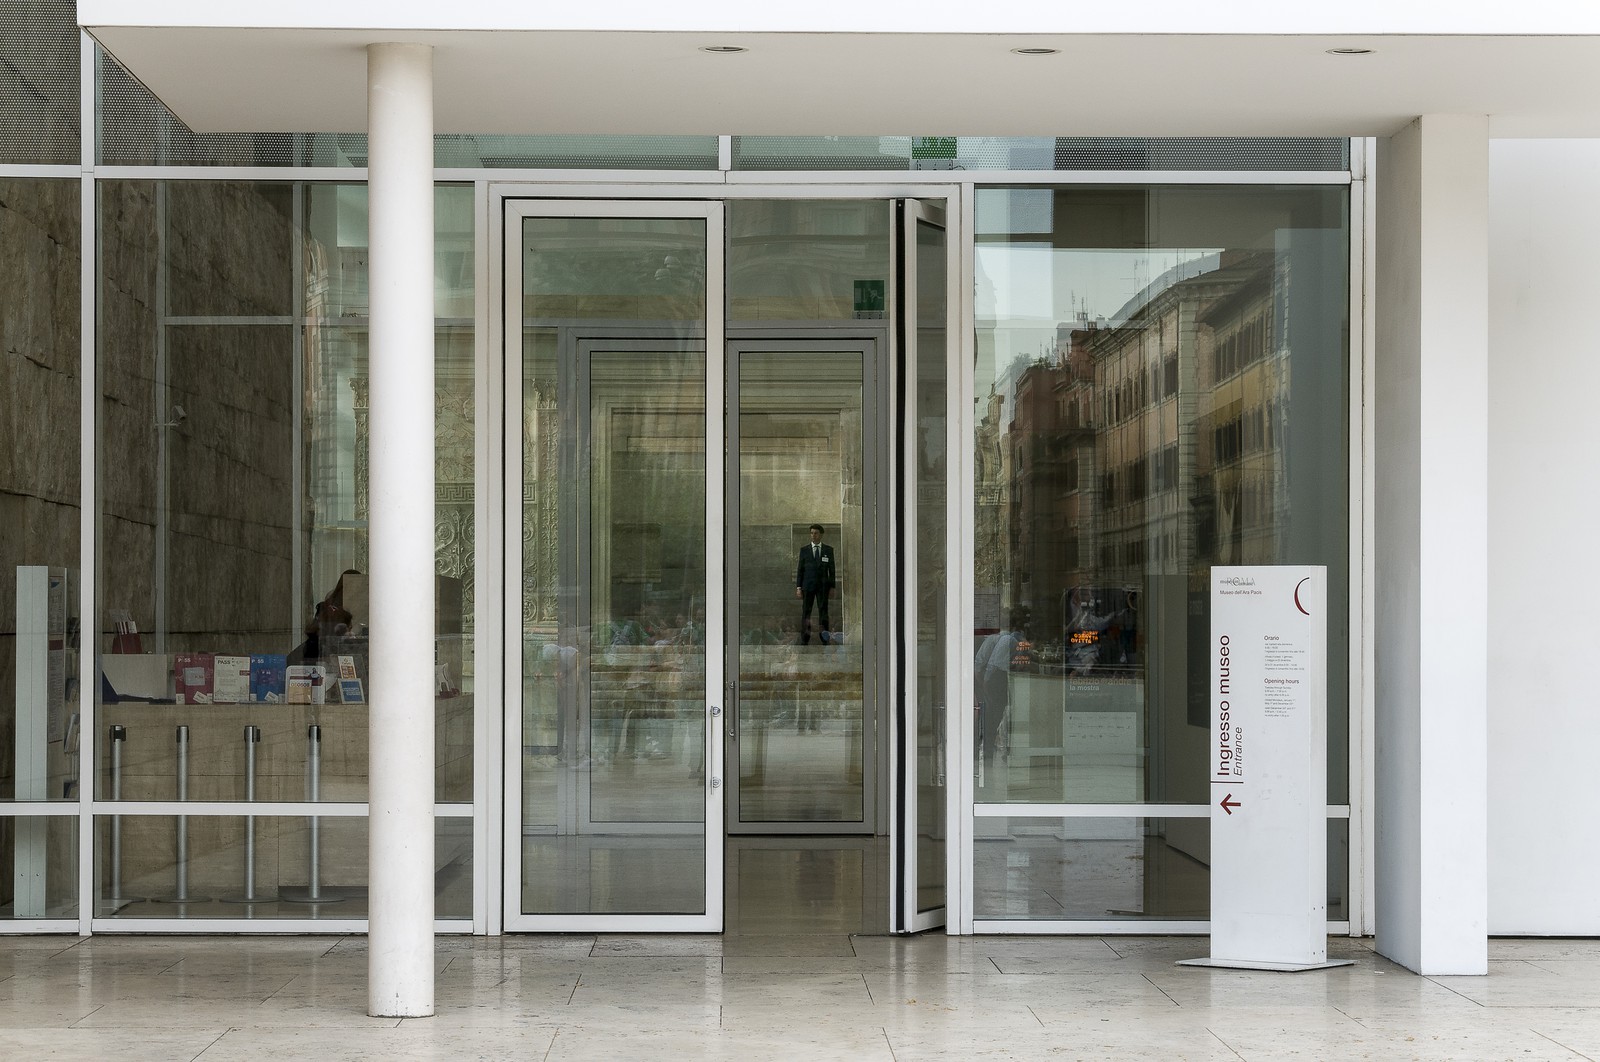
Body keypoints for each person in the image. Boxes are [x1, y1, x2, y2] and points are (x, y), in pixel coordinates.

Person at [794, 523, 836, 644]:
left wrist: (832, 587)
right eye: (811, 533)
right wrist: (798, 587)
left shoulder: (828, 550)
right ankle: (805, 639)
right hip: (807, 586)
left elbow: (832, 570)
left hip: (823, 587)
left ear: (821, 535)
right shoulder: (804, 550)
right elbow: (800, 570)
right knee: (806, 612)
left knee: (824, 612)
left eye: (816, 533)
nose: (813, 536)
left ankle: (824, 638)